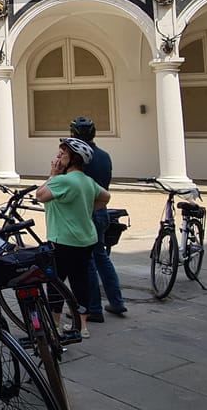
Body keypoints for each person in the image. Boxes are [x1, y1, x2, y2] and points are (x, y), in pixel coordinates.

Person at [35, 137, 110, 339]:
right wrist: (85, 209)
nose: (58, 157)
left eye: (62, 153)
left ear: (73, 158)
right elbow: (105, 197)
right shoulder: (87, 181)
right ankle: (82, 325)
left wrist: (53, 174)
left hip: (62, 240)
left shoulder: (62, 181)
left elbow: (40, 195)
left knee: (56, 282)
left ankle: (56, 323)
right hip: (86, 239)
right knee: (80, 281)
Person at [70, 116, 127, 322]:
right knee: (101, 256)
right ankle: (117, 301)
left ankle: (92, 308)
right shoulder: (104, 156)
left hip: (84, 212)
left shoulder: (78, 159)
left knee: (87, 262)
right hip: (102, 210)